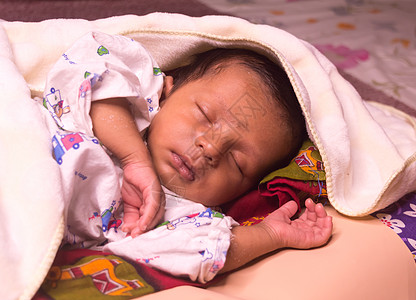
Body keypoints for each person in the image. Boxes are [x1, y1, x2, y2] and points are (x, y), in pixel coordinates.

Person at [41, 32, 332, 282]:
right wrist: (134, 158)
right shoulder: (133, 103)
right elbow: (91, 66)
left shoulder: (184, 215)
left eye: (237, 163)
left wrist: (270, 235)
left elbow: (203, 253)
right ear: (167, 89)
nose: (211, 148)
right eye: (205, 115)